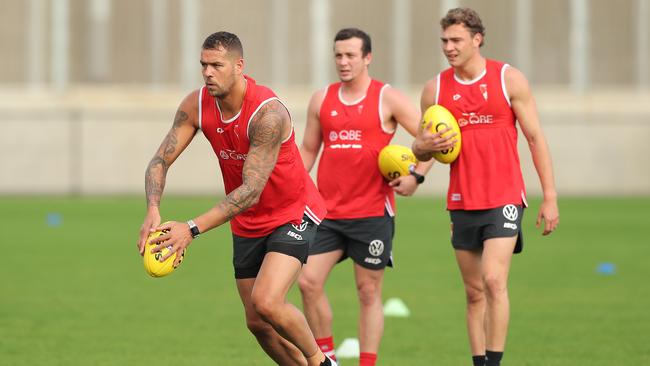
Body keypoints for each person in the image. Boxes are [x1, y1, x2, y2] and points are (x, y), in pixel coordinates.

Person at [137, 31, 337, 366]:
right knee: (257, 322)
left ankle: (322, 362)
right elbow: (159, 160)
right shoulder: (196, 104)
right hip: (248, 222)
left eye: (217, 65)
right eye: (203, 65)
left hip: (293, 211)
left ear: (239, 66)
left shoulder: (267, 114)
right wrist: (152, 209)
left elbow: (249, 191)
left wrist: (191, 228)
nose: (207, 72)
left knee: (268, 301)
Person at [412, 8, 560, 366]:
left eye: (456, 40)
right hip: (462, 200)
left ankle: (493, 363)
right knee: (474, 292)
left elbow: (535, 137)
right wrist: (416, 172)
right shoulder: (435, 89)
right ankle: (479, 362)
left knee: (494, 281)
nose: (448, 47)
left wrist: (550, 196)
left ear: (477, 39)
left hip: (505, 196)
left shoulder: (509, 79)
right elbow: (428, 146)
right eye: (444, 40)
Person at [297, 28, 440, 366]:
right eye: (338, 55)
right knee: (307, 282)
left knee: (368, 292)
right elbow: (307, 150)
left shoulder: (386, 98)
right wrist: (290, 186)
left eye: (350, 55)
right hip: (327, 213)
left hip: (372, 214)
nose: (343, 62)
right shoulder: (321, 99)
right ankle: (327, 359)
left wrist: (416, 176)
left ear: (367, 58)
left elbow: (429, 139)